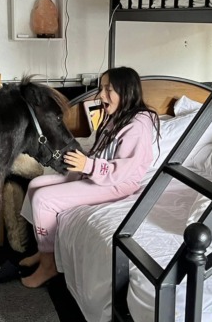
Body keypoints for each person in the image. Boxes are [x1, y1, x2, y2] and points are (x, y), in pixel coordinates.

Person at [19, 66, 160, 288]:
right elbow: (102, 150)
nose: (101, 95)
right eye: (101, 88)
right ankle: (45, 248)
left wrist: (89, 165)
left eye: (108, 89)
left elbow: (125, 170)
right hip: (98, 174)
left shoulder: (138, 125)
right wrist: (85, 164)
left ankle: (49, 266)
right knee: (35, 185)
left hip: (118, 184)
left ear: (127, 92)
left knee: (43, 199)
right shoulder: (117, 116)